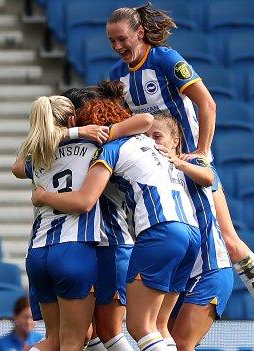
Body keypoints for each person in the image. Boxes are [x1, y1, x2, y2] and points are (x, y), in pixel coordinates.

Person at [105, 3, 254, 348]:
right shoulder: (118, 75)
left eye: (122, 39)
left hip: (187, 165)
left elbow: (207, 104)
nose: (117, 47)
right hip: (158, 171)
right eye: (111, 41)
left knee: (224, 237)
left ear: (139, 33)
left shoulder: (166, 59)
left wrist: (201, 152)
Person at [31, 87, 200, 351]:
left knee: (127, 328)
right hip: (187, 229)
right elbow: (145, 120)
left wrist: (42, 196)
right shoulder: (148, 143)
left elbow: (81, 199)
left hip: (116, 242)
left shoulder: (102, 149)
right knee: (122, 330)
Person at [11, 94, 154, 351]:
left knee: (52, 341)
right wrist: (83, 131)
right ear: (73, 119)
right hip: (73, 250)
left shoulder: (40, 155)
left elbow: (17, 167)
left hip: (37, 253)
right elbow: (144, 121)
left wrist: (65, 133)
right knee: (73, 343)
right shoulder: (94, 146)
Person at [148, 113, 233, 351]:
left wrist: (178, 162)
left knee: (182, 343)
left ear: (175, 140)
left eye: (157, 136)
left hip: (210, 268)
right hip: (179, 275)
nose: (152, 143)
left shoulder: (193, 161)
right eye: (146, 137)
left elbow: (208, 177)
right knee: (163, 341)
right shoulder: (150, 172)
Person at [63, 83, 136, 351]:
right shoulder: (81, 145)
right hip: (88, 245)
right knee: (88, 332)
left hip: (112, 244)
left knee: (109, 332)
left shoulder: (106, 146)